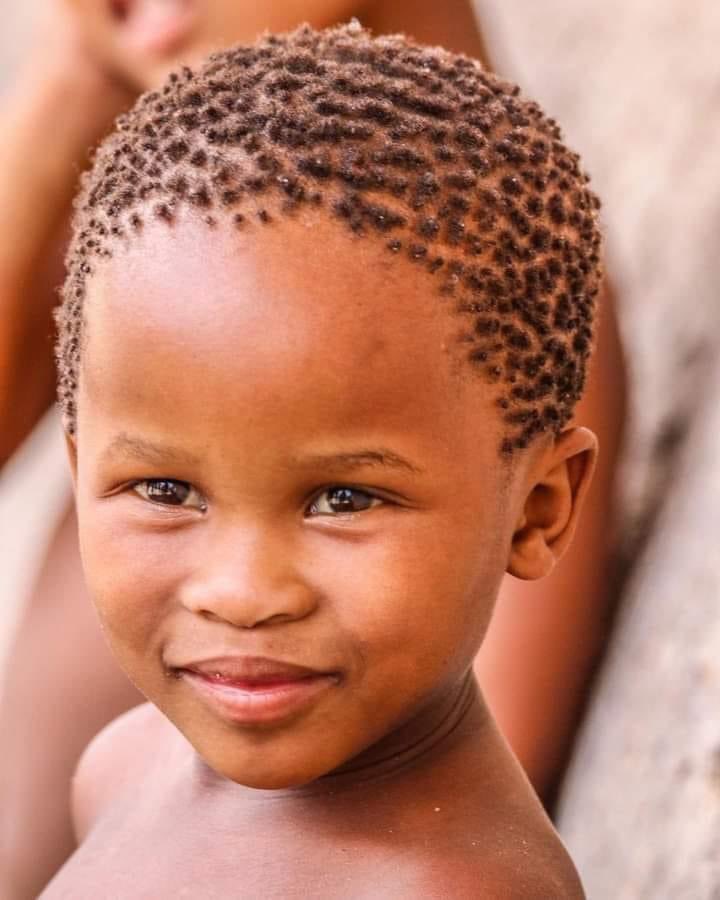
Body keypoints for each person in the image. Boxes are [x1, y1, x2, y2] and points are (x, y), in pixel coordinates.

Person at [0, 2, 624, 896]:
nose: (242, 593)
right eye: (166, 487)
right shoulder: (123, 769)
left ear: (536, 508)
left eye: (344, 498)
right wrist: (68, 80)